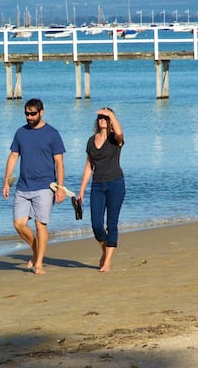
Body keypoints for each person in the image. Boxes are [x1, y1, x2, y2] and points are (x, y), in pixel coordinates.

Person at [2, 98, 66, 275]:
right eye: (27, 114)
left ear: (41, 112)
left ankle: (39, 264)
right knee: (19, 224)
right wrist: (6, 181)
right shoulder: (20, 133)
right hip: (23, 186)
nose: (29, 117)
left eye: (32, 114)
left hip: (45, 187)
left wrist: (60, 187)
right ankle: (37, 250)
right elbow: (14, 156)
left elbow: (59, 163)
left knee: (40, 225)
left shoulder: (52, 134)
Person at [76, 107, 125, 273]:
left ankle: (107, 262)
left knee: (112, 224)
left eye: (105, 117)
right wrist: (82, 190)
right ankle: (106, 251)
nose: (102, 119)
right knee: (96, 224)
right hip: (97, 186)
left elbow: (120, 133)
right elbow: (89, 166)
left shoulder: (115, 139)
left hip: (115, 184)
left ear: (111, 120)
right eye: (100, 117)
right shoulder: (91, 141)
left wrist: (111, 114)